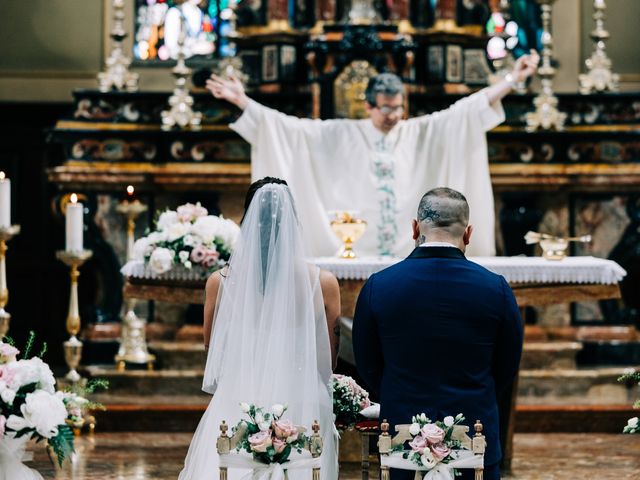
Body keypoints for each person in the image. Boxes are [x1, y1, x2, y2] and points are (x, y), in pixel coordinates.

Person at [206, 53, 539, 257]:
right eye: (385, 108)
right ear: (367, 105)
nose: (393, 115)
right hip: (352, 251)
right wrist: (242, 102)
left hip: (408, 251)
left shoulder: (419, 131)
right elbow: (286, 128)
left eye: (397, 108)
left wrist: (512, 79)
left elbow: (468, 110)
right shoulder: (341, 133)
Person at [352, 187, 523, 480]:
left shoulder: (379, 287)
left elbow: (367, 361)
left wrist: (397, 393)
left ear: (415, 228)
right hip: (474, 432)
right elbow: (507, 364)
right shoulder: (496, 289)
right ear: (468, 233)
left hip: (403, 435)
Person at [178, 177, 341, 480]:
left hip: (239, 397)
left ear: (247, 220)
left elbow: (211, 348)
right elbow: (329, 359)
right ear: (293, 221)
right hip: (301, 400)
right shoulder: (324, 283)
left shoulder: (219, 282)